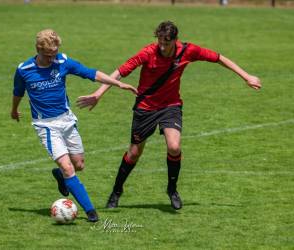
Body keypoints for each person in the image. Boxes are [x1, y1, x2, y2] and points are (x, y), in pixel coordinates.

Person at [76, 21, 261, 210]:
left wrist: (246, 76)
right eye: (160, 42)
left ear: (175, 40)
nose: (162, 46)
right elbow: (119, 72)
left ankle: (172, 190)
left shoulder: (188, 51)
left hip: (170, 106)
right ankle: (116, 191)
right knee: (134, 153)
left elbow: (219, 58)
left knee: (174, 146)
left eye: (166, 43)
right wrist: (98, 94)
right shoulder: (148, 53)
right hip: (145, 108)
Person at [11, 29, 137, 222]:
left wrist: (118, 84)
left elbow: (91, 73)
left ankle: (60, 176)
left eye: (54, 54)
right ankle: (90, 211)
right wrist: (14, 109)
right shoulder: (24, 70)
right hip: (46, 125)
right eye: (48, 55)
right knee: (68, 167)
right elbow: (18, 91)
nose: (52, 58)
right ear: (38, 49)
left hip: (67, 120)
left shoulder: (62, 62)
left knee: (78, 165)